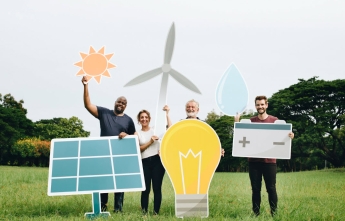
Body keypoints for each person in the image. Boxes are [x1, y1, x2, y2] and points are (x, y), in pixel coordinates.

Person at [81, 76, 136, 212]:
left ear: (125, 106)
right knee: (104, 181)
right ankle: (102, 208)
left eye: (123, 103)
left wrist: (127, 135)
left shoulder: (128, 120)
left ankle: (118, 209)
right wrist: (85, 85)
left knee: (119, 183)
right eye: (119, 101)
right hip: (103, 154)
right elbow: (88, 105)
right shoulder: (104, 113)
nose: (121, 104)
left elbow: (135, 137)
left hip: (119, 157)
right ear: (115, 102)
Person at [235, 95, 294, 216]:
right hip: (254, 162)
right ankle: (256, 214)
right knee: (255, 189)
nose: (260, 106)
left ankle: (274, 214)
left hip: (270, 162)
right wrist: (237, 121)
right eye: (258, 104)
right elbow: (240, 135)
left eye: (262, 104)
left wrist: (290, 136)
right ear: (255, 106)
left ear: (266, 105)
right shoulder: (251, 121)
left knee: (271, 188)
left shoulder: (274, 120)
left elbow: (283, 136)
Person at [135, 105, 171, 215]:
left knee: (157, 188)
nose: (144, 119)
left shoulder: (156, 130)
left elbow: (170, 129)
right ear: (139, 120)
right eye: (142, 117)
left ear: (149, 119)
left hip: (157, 162)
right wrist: (150, 142)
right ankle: (144, 213)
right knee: (145, 189)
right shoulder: (137, 134)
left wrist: (167, 114)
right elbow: (138, 149)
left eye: (146, 117)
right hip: (144, 162)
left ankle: (156, 213)